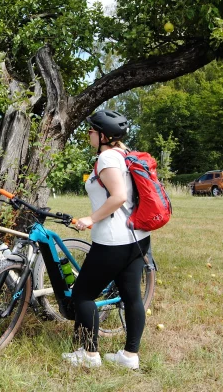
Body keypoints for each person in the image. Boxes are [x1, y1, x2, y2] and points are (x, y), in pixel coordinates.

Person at [63, 109, 151, 369]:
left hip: (114, 241)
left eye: (91, 130)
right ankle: (129, 357)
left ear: (103, 135)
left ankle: (89, 355)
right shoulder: (124, 154)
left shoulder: (107, 158)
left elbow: (119, 196)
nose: (88, 134)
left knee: (82, 295)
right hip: (137, 237)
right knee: (132, 297)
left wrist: (91, 218)